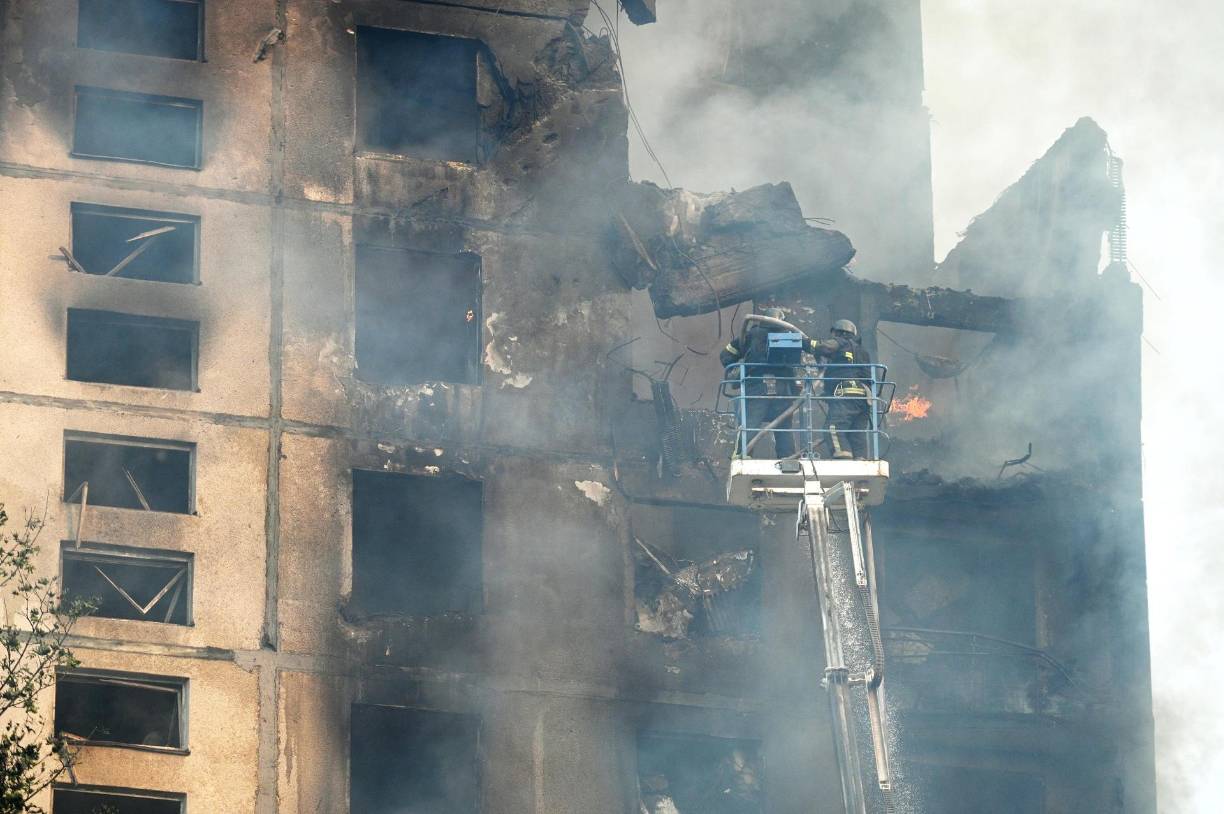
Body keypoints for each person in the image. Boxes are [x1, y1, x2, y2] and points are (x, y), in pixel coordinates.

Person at [720, 308, 800, 458]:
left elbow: (725, 355)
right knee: (783, 426)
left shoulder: (750, 335)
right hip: (782, 389)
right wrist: (795, 390)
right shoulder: (789, 336)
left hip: (757, 385)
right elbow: (792, 367)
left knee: (750, 423)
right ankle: (788, 458)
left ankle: (742, 455)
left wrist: (737, 369)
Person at [808, 319, 875, 459]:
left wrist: (803, 342)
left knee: (833, 428)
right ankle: (860, 459)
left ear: (840, 333)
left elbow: (823, 347)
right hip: (865, 398)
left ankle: (843, 456)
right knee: (856, 432)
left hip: (846, 394)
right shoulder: (863, 352)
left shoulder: (841, 342)